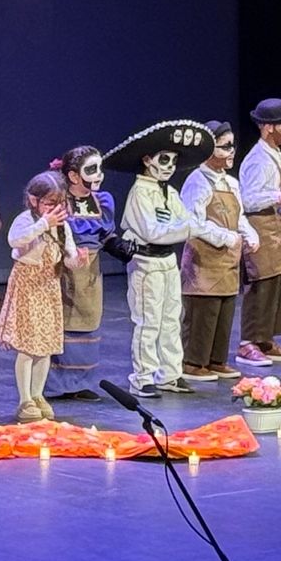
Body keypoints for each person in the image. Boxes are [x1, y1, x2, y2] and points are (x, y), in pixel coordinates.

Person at [104, 120, 223, 399]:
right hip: (147, 263)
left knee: (171, 319)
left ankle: (170, 374)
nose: (169, 166)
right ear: (148, 160)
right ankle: (143, 377)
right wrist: (188, 228)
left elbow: (187, 221)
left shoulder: (168, 191)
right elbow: (153, 231)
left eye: (173, 161)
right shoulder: (140, 192)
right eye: (164, 159)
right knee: (148, 322)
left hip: (168, 261)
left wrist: (220, 236)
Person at [0, 171, 82, 421]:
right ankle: (25, 399)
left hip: (48, 287)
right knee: (27, 346)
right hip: (28, 286)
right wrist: (44, 223)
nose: (56, 209)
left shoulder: (62, 226)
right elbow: (15, 240)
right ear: (34, 200)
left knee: (45, 346)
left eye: (60, 203)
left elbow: (68, 255)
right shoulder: (26, 220)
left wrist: (77, 259)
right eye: (50, 203)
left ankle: (37, 394)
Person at [180, 122, 259, 381]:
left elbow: (239, 216)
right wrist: (225, 237)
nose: (231, 151)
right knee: (204, 310)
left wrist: (250, 234)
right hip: (203, 259)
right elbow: (193, 222)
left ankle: (216, 360)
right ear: (207, 151)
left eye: (232, 146)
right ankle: (193, 361)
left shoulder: (231, 183)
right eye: (225, 147)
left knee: (223, 311)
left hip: (227, 259)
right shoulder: (197, 181)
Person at [237, 98, 281, 368]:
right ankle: (248, 343)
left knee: (278, 285)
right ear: (268, 127)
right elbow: (248, 199)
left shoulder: (274, 154)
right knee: (261, 286)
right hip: (261, 226)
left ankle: (265, 339)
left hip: (277, 227)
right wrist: (277, 196)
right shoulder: (258, 160)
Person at [49, 145, 114, 402]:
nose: (98, 174)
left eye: (100, 168)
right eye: (91, 169)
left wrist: (116, 244)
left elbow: (104, 232)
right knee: (64, 320)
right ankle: (56, 384)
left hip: (91, 269)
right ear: (74, 176)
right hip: (64, 265)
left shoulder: (102, 200)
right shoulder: (59, 200)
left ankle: (82, 382)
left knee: (88, 317)